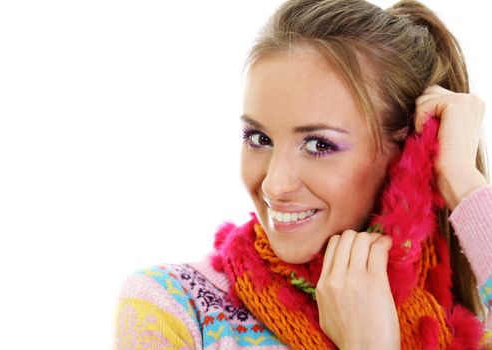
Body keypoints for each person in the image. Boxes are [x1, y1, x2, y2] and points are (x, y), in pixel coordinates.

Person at [114, 0, 492, 349]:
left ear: (410, 153)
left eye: (318, 145)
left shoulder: (462, 327)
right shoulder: (174, 307)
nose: (274, 185)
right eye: (259, 138)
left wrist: (460, 176)